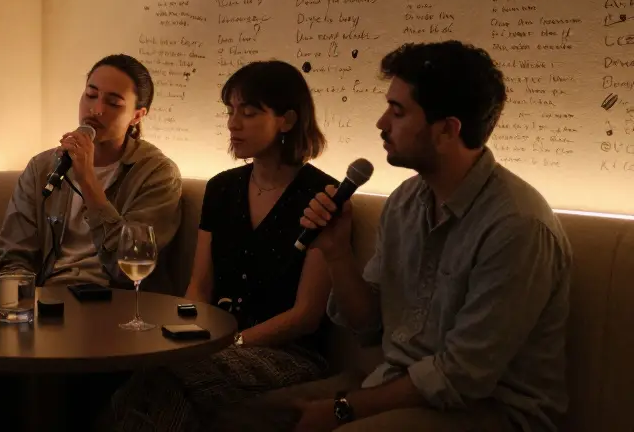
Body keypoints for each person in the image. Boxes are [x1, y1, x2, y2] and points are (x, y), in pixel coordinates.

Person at [293, 41, 572, 432]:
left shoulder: (517, 227)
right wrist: (336, 253)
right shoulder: (405, 202)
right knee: (247, 413)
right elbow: (368, 325)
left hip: (490, 410)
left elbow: (461, 377)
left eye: (397, 112)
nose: (381, 124)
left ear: (446, 130)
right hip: (396, 386)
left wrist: (344, 409)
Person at [103, 60, 338, 431]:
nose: (233, 123)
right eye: (231, 111)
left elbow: (306, 314)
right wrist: (181, 332)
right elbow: (200, 285)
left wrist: (233, 342)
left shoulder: (322, 197)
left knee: (165, 378)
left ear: (287, 121)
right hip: (215, 343)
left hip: (290, 353)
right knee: (142, 377)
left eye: (249, 112)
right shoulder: (222, 188)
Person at [0, 54, 182, 289]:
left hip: (118, 303)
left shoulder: (157, 174)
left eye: (113, 103)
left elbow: (130, 268)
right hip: (50, 298)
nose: (96, 109)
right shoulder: (42, 167)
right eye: (91, 95)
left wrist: (88, 181)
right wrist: (21, 308)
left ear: (137, 116)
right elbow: (13, 257)